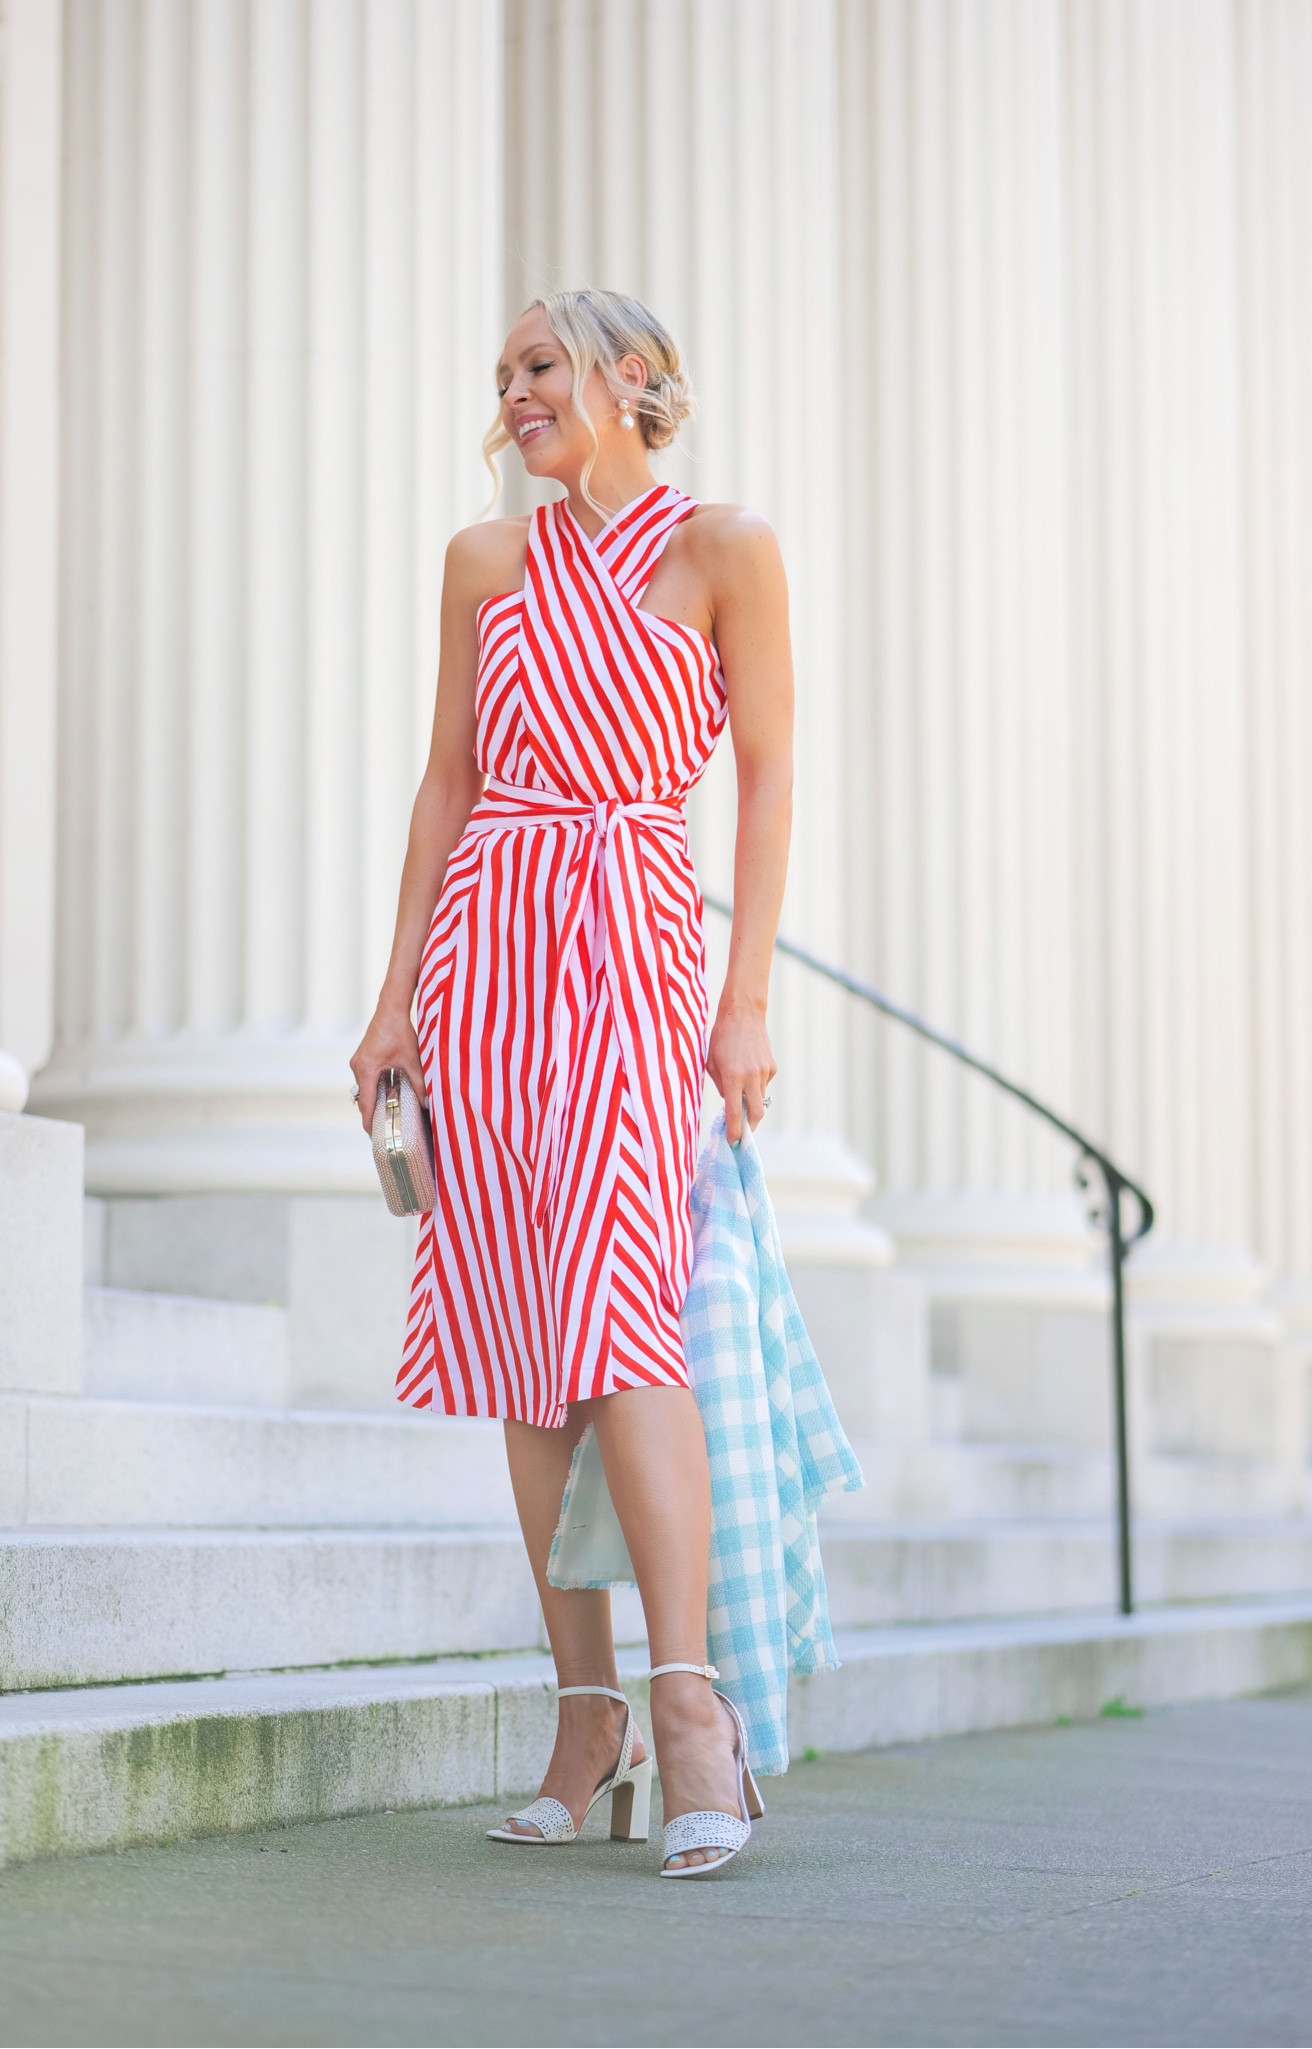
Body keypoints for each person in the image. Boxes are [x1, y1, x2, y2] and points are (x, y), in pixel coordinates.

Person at [351, 288, 793, 1876]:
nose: (513, 394)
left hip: (634, 941)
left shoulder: (726, 547)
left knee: (622, 1311)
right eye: (501, 377)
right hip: (489, 951)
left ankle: (690, 1712)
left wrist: (741, 1000)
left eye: (537, 366)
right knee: (516, 1330)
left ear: (626, 377)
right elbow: (449, 779)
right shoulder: (487, 561)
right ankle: (584, 1710)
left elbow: (766, 773)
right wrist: (396, 994)